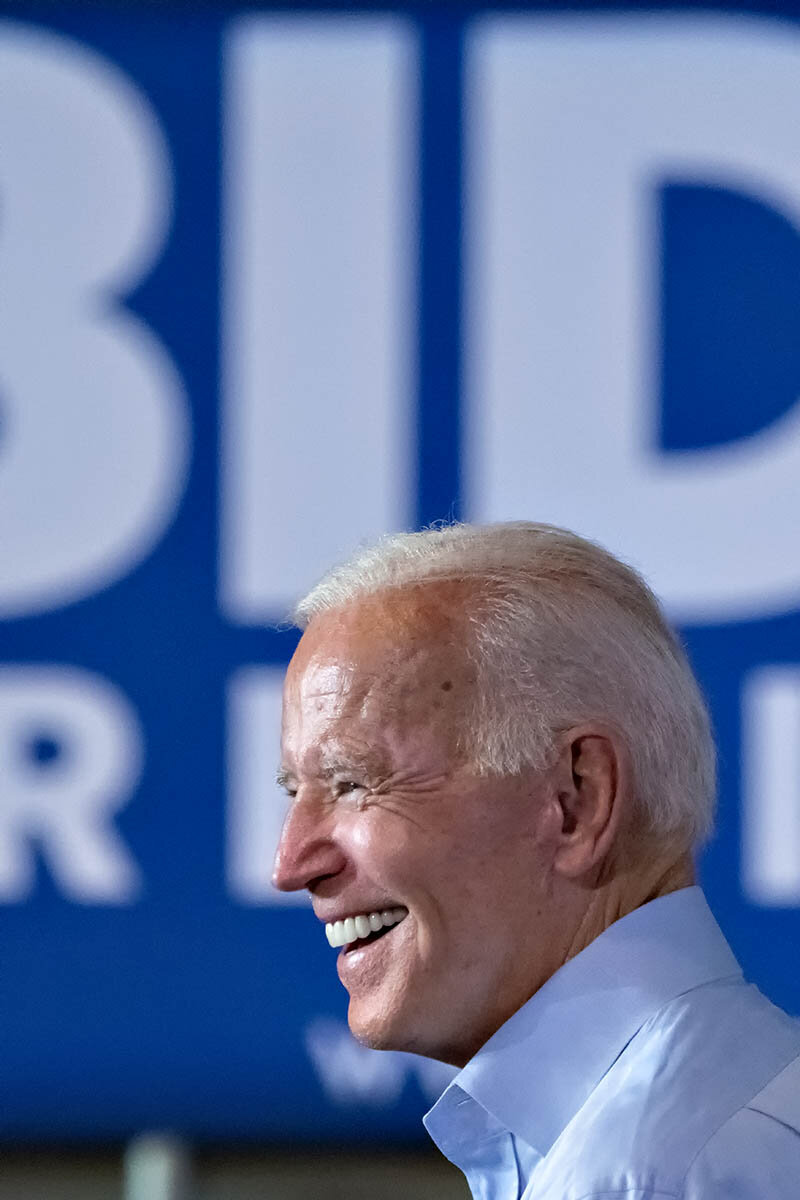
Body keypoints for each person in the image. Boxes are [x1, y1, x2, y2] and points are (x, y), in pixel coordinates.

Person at [273, 521, 800, 1199]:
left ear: (576, 798)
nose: (290, 864)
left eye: (353, 783)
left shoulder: (661, 1177)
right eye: (295, 792)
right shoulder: (707, 1122)